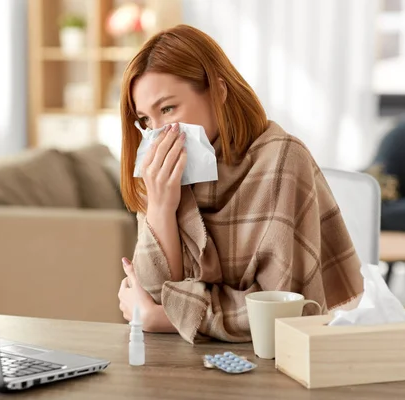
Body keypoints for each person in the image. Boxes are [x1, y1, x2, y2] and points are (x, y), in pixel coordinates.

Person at [117, 24, 363, 344]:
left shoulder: (283, 161)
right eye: (146, 120)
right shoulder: (160, 175)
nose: (157, 133)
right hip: (178, 367)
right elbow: (151, 297)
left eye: (168, 109)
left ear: (218, 92)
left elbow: (284, 311)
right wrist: (161, 208)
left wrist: (166, 317)